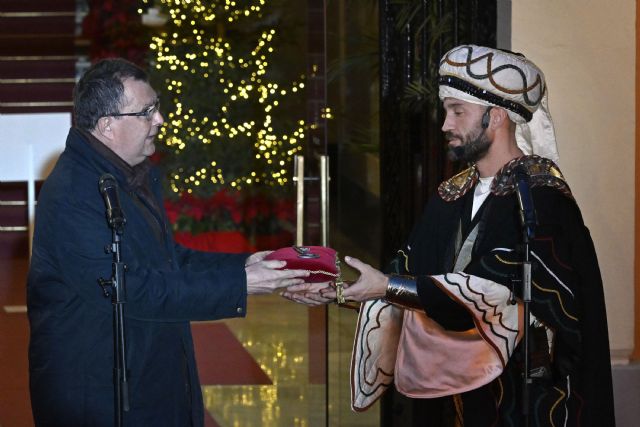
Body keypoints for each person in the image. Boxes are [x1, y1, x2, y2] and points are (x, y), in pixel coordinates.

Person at [284, 45, 615, 426]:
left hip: (523, 405)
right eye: (446, 111)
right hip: (453, 395)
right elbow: (406, 275)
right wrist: (337, 290)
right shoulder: (451, 195)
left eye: (458, 112)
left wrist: (389, 286)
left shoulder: (539, 200)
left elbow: (493, 293)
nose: (445, 124)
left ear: (497, 117)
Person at [27, 58, 310, 426]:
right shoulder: (74, 193)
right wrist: (241, 285)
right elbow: (127, 288)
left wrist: (246, 266)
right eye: (146, 112)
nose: (159, 120)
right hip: (100, 395)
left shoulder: (125, 176)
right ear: (107, 125)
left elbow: (167, 260)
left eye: (156, 107)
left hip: (145, 380)